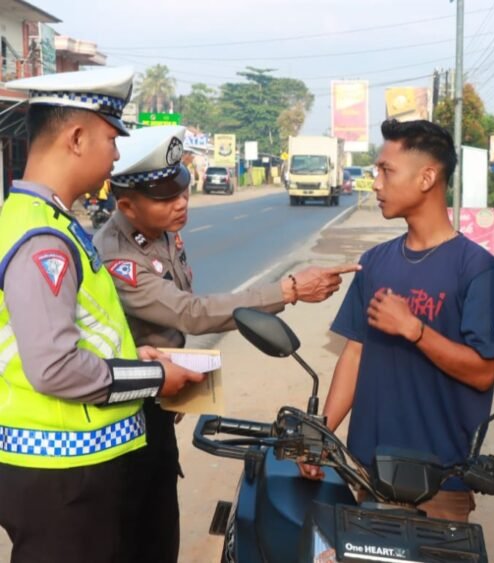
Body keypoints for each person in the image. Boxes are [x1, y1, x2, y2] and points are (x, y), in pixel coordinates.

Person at [94, 124, 360, 563]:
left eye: (182, 190)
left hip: (161, 395)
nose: (181, 203)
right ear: (126, 206)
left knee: (161, 526)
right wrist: (288, 289)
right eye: (166, 198)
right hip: (126, 412)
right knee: (133, 531)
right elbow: (190, 312)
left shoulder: (161, 230)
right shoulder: (117, 257)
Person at [0, 67, 204, 563]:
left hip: (68, 466)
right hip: (62, 473)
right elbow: (54, 367)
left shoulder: (42, 220)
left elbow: (77, 335)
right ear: (76, 138)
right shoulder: (43, 239)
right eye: (111, 139)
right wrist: (155, 377)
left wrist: (136, 355)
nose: (115, 155)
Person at [304, 119, 494, 522]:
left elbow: (483, 372)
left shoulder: (477, 268)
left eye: (386, 170)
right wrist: (321, 435)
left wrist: (414, 330)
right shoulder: (375, 262)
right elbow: (355, 354)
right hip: (369, 472)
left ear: (427, 178)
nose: (376, 183)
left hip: (440, 482)